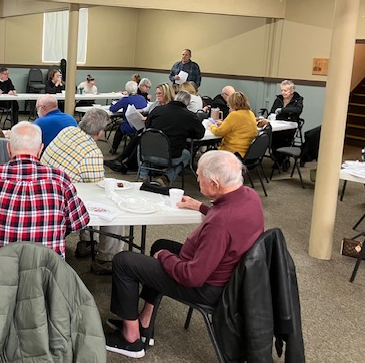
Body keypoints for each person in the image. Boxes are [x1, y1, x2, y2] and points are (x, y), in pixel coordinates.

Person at [105, 150, 264, 358]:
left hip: (207, 288)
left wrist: (164, 257)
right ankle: (145, 321)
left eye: (199, 176)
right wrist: (201, 207)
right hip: (229, 275)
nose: (197, 179)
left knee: (124, 261)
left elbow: (192, 276)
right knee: (162, 244)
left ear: (215, 183)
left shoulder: (220, 224)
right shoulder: (249, 196)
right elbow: (228, 220)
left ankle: (131, 338)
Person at [0, 122, 89, 286]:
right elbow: (79, 222)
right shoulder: (60, 179)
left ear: (8, 149)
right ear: (40, 149)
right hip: (46, 281)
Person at [42, 108, 125, 275]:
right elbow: (97, 187)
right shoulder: (92, 152)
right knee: (112, 209)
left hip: (44, 190)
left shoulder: (67, 131)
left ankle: (87, 242)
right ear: (100, 132)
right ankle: (106, 259)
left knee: (80, 186)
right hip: (61, 204)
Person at [105, 83, 174, 174]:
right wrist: (142, 111)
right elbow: (148, 109)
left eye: (159, 94)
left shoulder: (170, 108)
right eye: (156, 93)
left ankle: (124, 164)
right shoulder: (156, 103)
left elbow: (162, 120)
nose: (157, 96)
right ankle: (120, 161)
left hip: (161, 135)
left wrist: (148, 118)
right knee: (137, 138)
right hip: (150, 130)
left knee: (139, 139)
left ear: (166, 93)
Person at [139, 90, 205, 185]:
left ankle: (143, 176)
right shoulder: (190, 116)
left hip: (147, 154)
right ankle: (166, 178)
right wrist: (186, 133)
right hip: (170, 157)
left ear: (175, 98)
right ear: (188, 103)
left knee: (146, 146)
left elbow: (147, 126)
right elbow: (200, 134)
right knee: (186, 155)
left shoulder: (157, 110)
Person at [258, 79, 304, 168]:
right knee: (272, 136)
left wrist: (283, 110)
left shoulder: (298, 99)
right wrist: (271, 116)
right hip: (278, 123)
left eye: (285, 90)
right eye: (282, 90)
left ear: (291, 91)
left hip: (290, 125)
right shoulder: (278, 99)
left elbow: (298, 110)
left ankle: (281, 158)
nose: (283, 92)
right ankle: (276, 157)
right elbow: (272, 111)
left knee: (283, 138)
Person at [208, 91, 258, 158]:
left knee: (208, 154)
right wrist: (223, 124)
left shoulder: (234, 115)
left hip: (233, 152)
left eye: (229, 105)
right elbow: (239, 126)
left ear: (232, 104)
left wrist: (211, 126)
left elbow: (218, 132)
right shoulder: (251, 113)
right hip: (247, 152)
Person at [109, 80, 147, 153]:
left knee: (120, 129)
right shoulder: (142, 98)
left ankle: (114, 149)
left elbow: (112, 109)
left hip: (130, 125)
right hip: (142, 125)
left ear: (127, 90)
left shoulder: (125, 99)